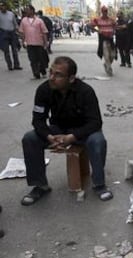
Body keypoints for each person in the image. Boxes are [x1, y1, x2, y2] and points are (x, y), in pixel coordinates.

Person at [21, 56, 113, 205]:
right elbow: (38, 120)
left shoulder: (86, 91)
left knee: (98, 141)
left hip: (83, 131)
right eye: (51, 72)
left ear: (71, 78)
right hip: (58, 129)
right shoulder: (44, 90)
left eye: (58, 75)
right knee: (30, 138)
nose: (52, 78)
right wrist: (49, 136)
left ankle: (99, 185)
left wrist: (72, 137)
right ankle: (40, 185)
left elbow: (95, 122)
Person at [19, 5, 49, 80]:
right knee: (32, 59)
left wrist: (46, 43)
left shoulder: (39, 20)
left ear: (32, 11)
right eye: (26, 10)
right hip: (29, 43)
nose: (26, 11)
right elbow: (22, 32)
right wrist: (23, 42)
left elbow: (44, 32)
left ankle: (43, 71)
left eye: (28, 10)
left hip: (39, 43)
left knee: (40, 59)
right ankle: (36, 74)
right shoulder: (24, 21)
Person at [90, 6, 116, 76]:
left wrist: (113, 31)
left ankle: (106, 64)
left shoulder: (111, 19)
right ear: (102, 12)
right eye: (104, 11)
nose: (105, 12)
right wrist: (98, 30)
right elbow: (90, 26)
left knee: (113, 55)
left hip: (110, 39)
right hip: (103, 40)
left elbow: (115, 26)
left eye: (106, 11)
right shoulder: (97, 19)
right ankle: (109, 70)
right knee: (106, 56)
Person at [0, 0, 22, 71]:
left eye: (3, 6)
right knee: (6, 51)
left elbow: (15, 24)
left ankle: (16, 65)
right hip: (3, 33)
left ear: (6, 6)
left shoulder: (11, 14)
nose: (2, 7)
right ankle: (9, 65)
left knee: (14, 50)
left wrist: (19, 31)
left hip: (12, 32)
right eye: (1, 6)